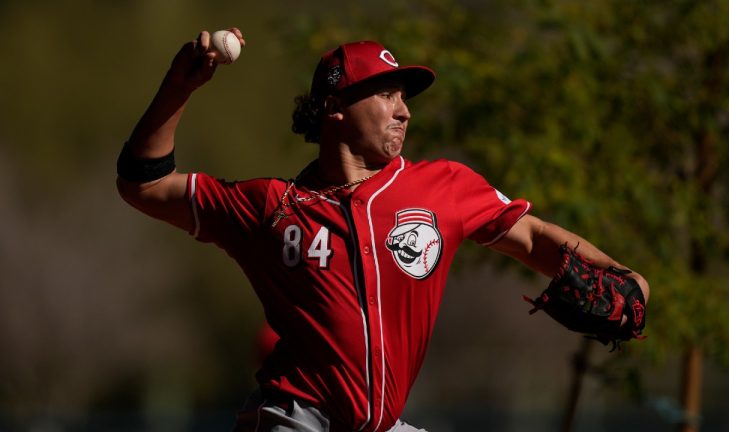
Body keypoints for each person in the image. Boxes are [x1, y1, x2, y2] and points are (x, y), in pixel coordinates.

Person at [116, 28, 650, 432]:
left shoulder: (442, 187)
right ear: (335, 110)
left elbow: (532, 237)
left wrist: (618, 273)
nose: (404, 113)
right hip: (296, 419)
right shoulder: (269, 207)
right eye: (387, 95)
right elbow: (144, 184)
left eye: (405, 98)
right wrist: (177, 88)